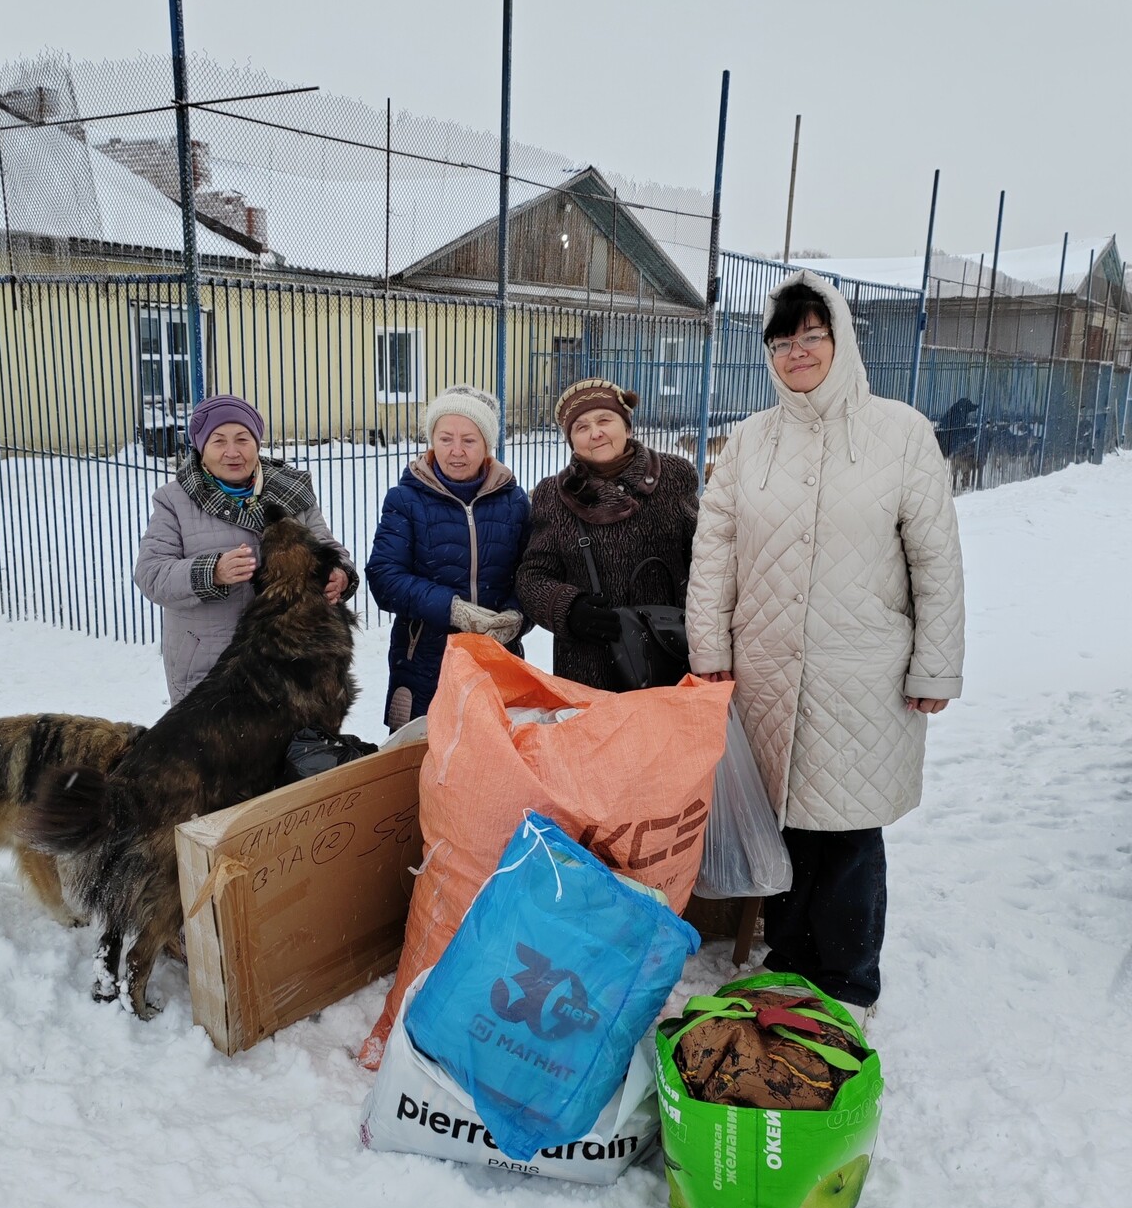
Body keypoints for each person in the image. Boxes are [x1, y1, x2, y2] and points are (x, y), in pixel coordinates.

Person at [685, 270, 965, 1024]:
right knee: (783, 823)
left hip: (863, 670)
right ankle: (789, 961)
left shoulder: (899, 433)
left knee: (847, 829)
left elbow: (935, 560)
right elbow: (715, 554)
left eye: (812, 335)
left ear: (839, 338)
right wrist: (709, 650)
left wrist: (936, 665)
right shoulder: (750, 441)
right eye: (782, 341)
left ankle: (846, 979)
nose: (797, 352)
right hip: (767, 668)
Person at [134, 394, 357, 704]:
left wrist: (340, 574)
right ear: (201, 447)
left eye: (242, 439)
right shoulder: (175, 500)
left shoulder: (291, 491)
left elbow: (327, 547)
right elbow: (151, 573)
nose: (232, 452)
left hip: (292, 662)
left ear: (257, 442)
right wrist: (211, 572)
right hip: (211, 667)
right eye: (218, 441)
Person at [516, 378, 699, 691]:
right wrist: (569, 609)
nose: (595, 433)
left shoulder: (674, 476)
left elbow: (706, 560)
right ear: (571, 441)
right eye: (581, 427)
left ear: (627, 426)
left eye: (604, 420)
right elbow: (532, 577)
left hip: (670, 653)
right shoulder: (554, 495)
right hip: (589, 665)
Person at [366, 385, 530, 730]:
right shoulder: (405, 500)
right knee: (425, 752)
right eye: (445, 439)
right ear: (431, 441)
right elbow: (384, 577)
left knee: (492, 749)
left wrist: (518, 615)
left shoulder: (514, 501)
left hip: (497, 659)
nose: (456, 451)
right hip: (425, 661)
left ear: (487, 445)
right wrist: (452, 608)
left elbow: (532, 573)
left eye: (469, 440)